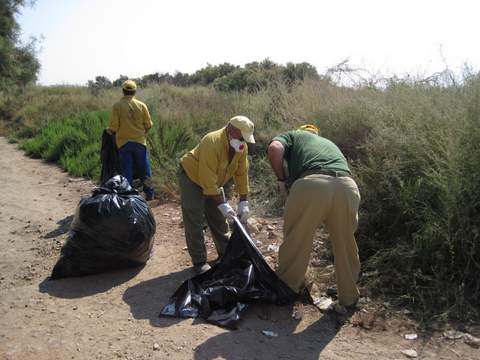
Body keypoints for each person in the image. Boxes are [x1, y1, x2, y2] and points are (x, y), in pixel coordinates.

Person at [266, 124, 361, 312]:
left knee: (297, 239)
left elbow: (274, 148)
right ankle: (349, 299)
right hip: (348, 186)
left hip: (313, 184)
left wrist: (281, 179)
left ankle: (287, 290)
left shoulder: (295, 135)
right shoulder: (328, 143)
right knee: (346, 243)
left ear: (302, 132)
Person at [178, 116, 255, 274]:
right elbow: (206, 178)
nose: (243, 141)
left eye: (245, 139)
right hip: (192, 177)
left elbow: (242, 174)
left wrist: (243, 201)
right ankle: (199, 261)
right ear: (230, 130)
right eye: (241, 137)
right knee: (195, 217)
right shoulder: (211, 141)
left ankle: (225, 253)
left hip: (213, 182)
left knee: (219, 218)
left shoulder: (241, 147)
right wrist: (223, 204)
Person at [107, 80, 154, 200]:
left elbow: (113, 128)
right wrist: (142, 134)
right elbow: (148, 125)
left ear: (123, 91)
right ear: (134, 91)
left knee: (126, 171)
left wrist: (109, 131)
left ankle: (128, 197)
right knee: (145, 170)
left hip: (123, 143)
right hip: (140, 143)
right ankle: (150, 193)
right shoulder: (142, 105)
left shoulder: (117, 106)